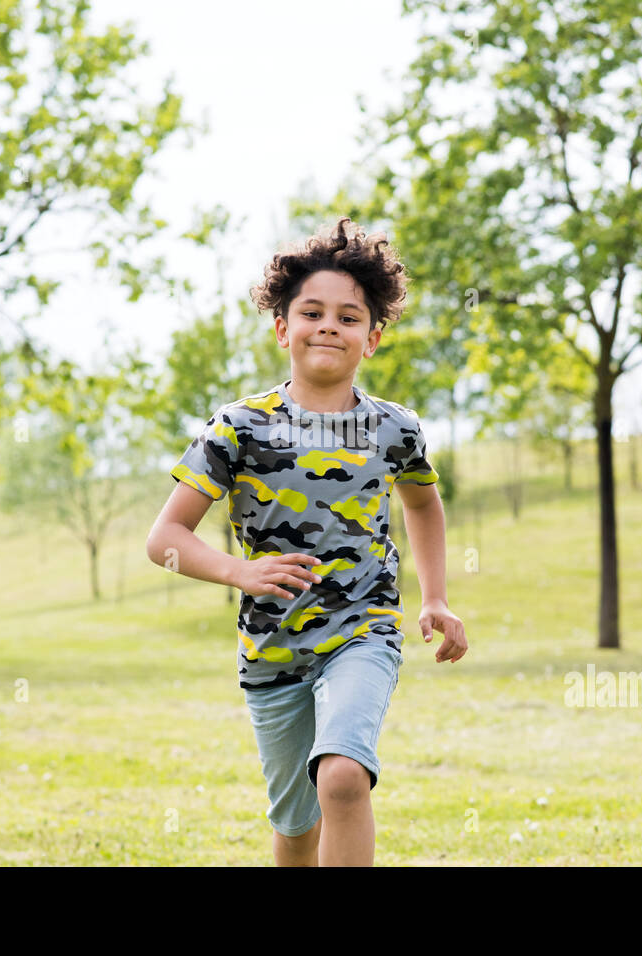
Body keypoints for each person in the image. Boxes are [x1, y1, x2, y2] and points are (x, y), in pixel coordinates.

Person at [145, 217, 467, 866]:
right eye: (311, 312)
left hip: (362, 630)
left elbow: (423, 503)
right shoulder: (236, 430)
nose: (328, 326)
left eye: (349, 317)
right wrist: (241, 572)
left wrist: (433, 597)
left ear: (372, 339)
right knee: (296, 827)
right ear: (281, 327)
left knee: (343, 777)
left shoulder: (393, 429)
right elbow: (166, 539)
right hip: (272, 649)